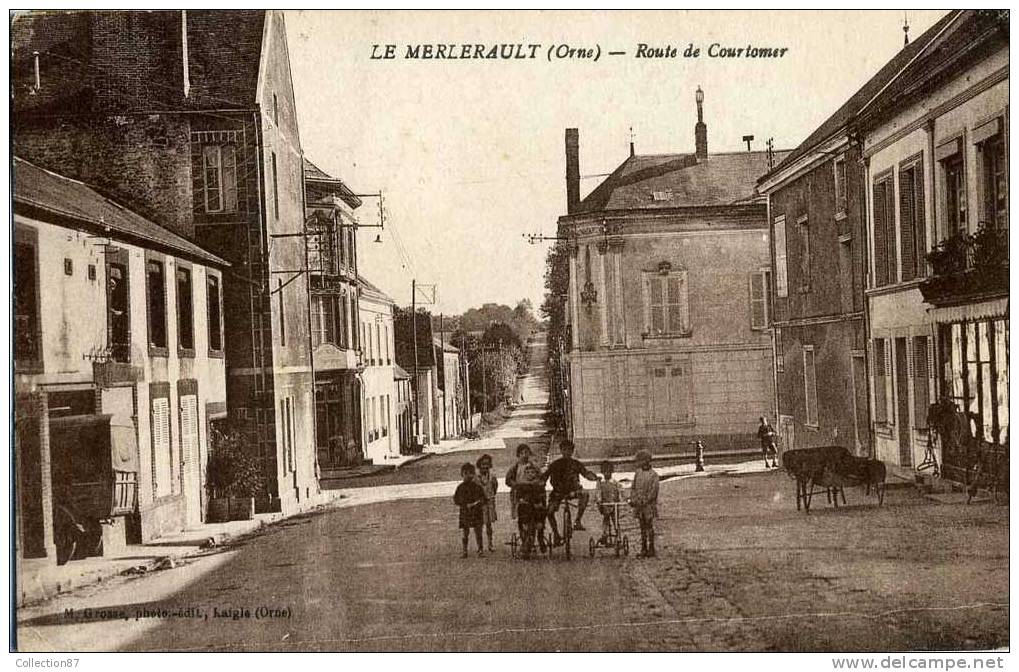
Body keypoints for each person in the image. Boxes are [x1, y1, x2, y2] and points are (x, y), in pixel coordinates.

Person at [544, 440, 599, 545]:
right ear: (561, 450)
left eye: (569, 450)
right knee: (549, 511)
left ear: (572, 451)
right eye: (564, 450)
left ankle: (577, 520)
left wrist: (595, 478)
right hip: (558, 492)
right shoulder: (555, 464)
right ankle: (556, 534)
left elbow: (586, 473)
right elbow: (545, 476)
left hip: (574, 490)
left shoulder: (576, 464)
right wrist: (538, 481)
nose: (567, 452)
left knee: (585, 494)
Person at [505, 444, 548, 553]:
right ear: (518, 455)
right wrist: (516, 484)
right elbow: (508, 480)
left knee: (540, 516)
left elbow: (542, 478)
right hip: (521, 494)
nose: (524, 455)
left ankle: (540, 537)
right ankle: (524, 539)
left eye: (526, 453)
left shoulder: (533, 466)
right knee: (522, 517)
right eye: (522, 453)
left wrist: (539, 483)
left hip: (534, 494)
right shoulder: (515, 467)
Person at [629, 449, 660, 558]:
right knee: (641, 526)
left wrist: (646, 500)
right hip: (639, 504)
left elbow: (654, 491)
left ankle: (651, 547)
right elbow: (633, 487)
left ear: (647, 461)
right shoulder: (638, 473)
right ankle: (643, 548)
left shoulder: (654, 475)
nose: (638, 463)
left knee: (649, 525)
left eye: (640, 461)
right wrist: (633, 498)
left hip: (648, 505)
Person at [453, 463, 486, 558]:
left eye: (471, 473)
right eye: (465, 473)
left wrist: (478, 503)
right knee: (465, 532)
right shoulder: (460, 487)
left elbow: (483, 498)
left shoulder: (477, 487)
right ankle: (464, 551)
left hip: (476, 511)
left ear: (474, 474)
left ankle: (480, 550)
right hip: (465, 512)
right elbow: (456, 499)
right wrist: (464, 504)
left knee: (478, 531)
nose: (468, 475)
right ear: (462, 474)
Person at [595, 460, 621, 546]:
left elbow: (620, 491)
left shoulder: (615, 482)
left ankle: (618, 535)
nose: (607, 474)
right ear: (602, 472)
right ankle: (604, 535)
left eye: (609, 472)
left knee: (615, 520)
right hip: (605, 505)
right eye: (605, 472)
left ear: (612, 472)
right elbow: (598, 492)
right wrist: (599, 500)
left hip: (614, 505)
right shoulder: (600, 483)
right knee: (605, 519)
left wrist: (622, 499)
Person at [475, 454, 498, 552]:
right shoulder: (476, 477)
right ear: (479, 465)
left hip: (489, 501)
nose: (485, 466)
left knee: (488, 524)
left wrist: (491, 495)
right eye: (483, 464)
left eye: (487, 464)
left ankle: (490, 543)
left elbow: (495, 487)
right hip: (479, 503)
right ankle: (480, 546)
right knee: (479, 525)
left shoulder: (492, 477)